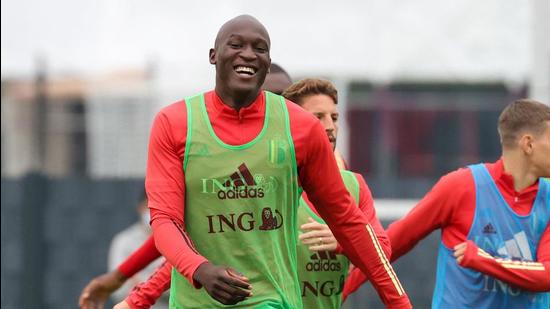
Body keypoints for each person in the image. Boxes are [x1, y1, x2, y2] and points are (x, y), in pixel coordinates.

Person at [145, 14, 410, 308]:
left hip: (273, 301)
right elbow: (166, 221)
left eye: (260, 48)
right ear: (213, 55)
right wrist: (199, 269)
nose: (248, 54)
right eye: (236, 44)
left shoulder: (300, 127)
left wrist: (399, 302)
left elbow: (348, 222)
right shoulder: (174, 123)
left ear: (268, 63)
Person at [113, 78, 391, 309]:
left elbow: (381, 249)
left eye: (334, 116)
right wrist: (136, 297)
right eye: (317, 117)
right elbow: (187, 248)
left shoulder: (351, 187)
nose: (329, 126)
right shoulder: (261, 191)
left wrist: (343, 241)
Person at [78, 64, 294, 309]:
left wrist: (339, 245)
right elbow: (181, 238)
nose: (277, 106)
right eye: (270, 97)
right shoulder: (232, 169)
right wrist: (126, 283)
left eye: (286, 100)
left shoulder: (313, 171)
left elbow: (347, 227)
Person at [343, 99, 550, 308]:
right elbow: (394, 242)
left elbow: (547, 275)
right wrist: (335, 296)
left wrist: (484, 261)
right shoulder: (462, 186)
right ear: (528, 144)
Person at [107, 192, 169, 308]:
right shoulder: (123, 241)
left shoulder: (176, 239)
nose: (151, 211)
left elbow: (182, 284)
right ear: (139, 208)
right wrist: (160, 285)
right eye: (147, 206)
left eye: (157, 206)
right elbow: (119, 289)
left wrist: (138, 282)